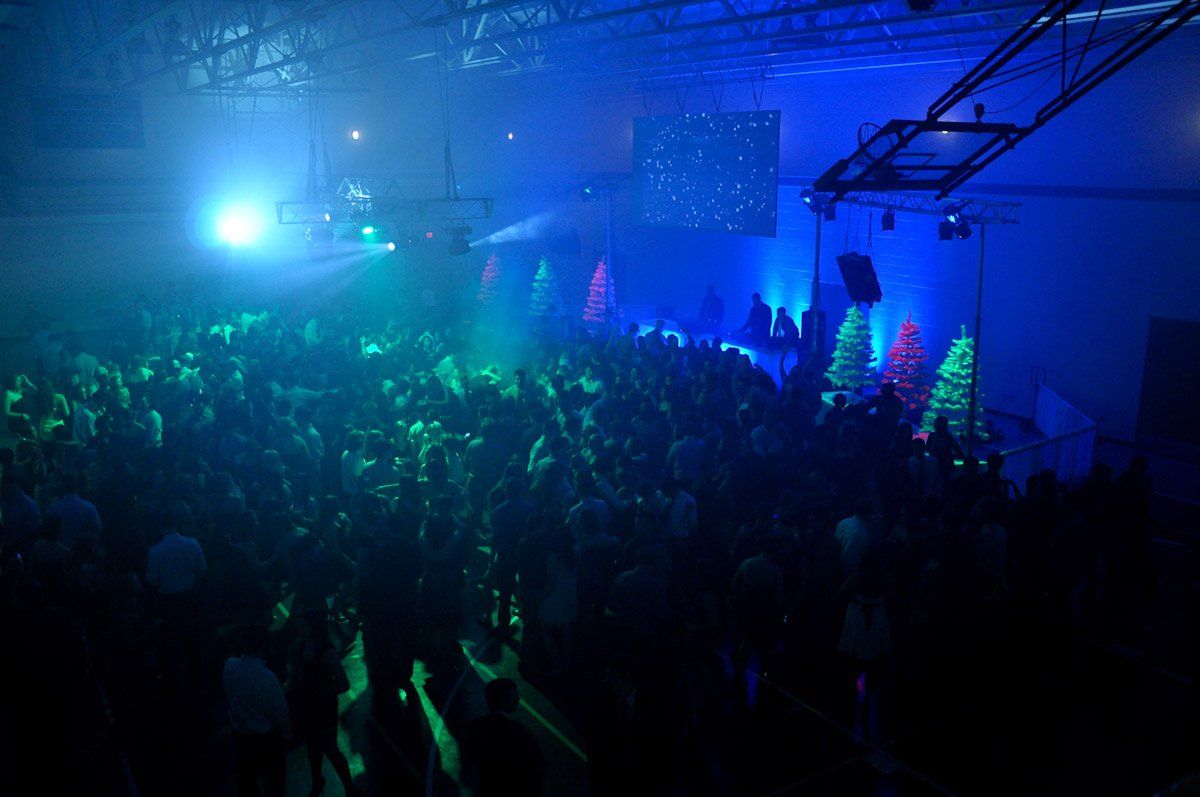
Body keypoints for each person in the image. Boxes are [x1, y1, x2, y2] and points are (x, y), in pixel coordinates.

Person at [287, 610, 357, 797]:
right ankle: (318, 779)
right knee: (312, 746)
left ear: (310, 627)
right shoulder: (300, 646)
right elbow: (295, 673)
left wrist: (321, 690)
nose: (298, 626)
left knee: (330, 748)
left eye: (302, 623)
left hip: (323, 707)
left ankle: (349, 787)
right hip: (308, 705)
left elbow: (344, 683)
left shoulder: (327, 652)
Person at [224, 625, 291, 797]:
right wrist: (286, 733)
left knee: (247, 783)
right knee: (274, 785)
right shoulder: (267, 678)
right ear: (265, 646)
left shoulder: (229, 666)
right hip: (266, 740)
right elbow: (279, 713)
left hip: (240, 739)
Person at [465, 678, 545, 797]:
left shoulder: (476, 725)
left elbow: (472, 754)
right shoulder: (520, 732)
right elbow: (537, 768)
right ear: (503, 702)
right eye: (514, 696)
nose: (518, 699)